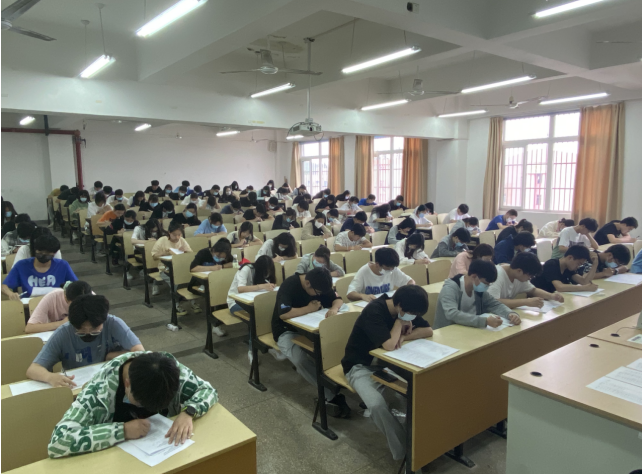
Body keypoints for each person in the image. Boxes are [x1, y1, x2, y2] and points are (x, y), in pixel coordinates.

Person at [47, 351, 217, 458]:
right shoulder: (99, 390)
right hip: (115, 460)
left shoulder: (169, 370)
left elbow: (208, 390)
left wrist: (188, 412)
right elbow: (58, 441)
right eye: (141, 403)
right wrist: (122, 430)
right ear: (127, 384)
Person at [342, 285, 431, 464]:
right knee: (376, 405)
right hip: (359, 366)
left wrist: (404, 336)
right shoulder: (374, 311)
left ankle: (427, 442)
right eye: (411, 314)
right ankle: (407, 455)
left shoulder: (407, 308)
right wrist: (399, 323)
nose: (413, 317)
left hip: (389, 363)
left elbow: (428, 330)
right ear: (399, 306)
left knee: (425, 388)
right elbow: (389, 345)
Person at [271, 268, 348, 416]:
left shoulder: (321, 283)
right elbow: (284, 314)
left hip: (311, 328)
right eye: (317, 293)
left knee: (338, 343)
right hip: (286, 330)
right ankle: (330, 393)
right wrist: (309, 308)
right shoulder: (289, 285)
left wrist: (334, 308)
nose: (320, 295)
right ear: (307, 284)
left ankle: (336, 379)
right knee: (299, 359)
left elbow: (338, 299)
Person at [26, 294, 144, 386]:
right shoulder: (64, 333)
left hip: (110, 383)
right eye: (81, 330)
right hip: (77, 387)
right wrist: (50, 377)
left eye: (94, 329)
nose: (88, 333)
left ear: (103, 320)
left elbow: (140, 353)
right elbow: (33, 369)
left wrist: (112, 356)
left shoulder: (113, 323)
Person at [433, 259, 521, 330]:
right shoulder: (451, 288)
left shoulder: (478, 290)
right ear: (474, 276)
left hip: (470, 330)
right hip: (448, 332)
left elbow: (494, 304)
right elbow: (452, 314)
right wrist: (484, 321)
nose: (487, 286)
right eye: (485, 283)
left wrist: (510, 314)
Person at [2, 234, 77, 299]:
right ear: (35, 250)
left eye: (47, 254)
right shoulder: (21, 266)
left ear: (54, 253)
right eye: (40, 253)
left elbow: (76, 285)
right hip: (30, 305)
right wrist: (10, 294)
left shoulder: (62, 265)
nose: (43, 255)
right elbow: (3, 286)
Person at [488, 252, 565, 310]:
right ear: (519, 271)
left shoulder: (518, 275)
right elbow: (493, 302)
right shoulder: (497, 275)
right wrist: (526, 302)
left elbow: (533, 290)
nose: (530, 279)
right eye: (530, 276)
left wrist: (551, 296)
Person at [347, 248, 414, 301]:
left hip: (386, 303)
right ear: (377, 264)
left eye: (392, 268)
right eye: (388, 268)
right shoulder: (364, 271)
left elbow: (410, 282)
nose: (391, 270)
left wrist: (408, 292)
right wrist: (362, 296)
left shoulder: (393, 269)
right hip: (370, 306)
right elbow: (350, 294)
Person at [25, 281, 92, 334]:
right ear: (66, 297)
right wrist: (62, 323)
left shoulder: (91, 298)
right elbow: (30, 328)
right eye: (75, 305)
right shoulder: (52, 297)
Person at [151, 222, 193, 302]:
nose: (177, 237)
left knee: (188, 277)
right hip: (165, 268)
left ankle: (183, 295)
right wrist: (165, 253)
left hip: (180, 267)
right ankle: (175, 300)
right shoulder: (162, 240)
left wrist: (185, 251)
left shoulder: (182, 240)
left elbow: (191, 254)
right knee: (175, 280)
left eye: (179, 234)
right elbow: (154, 256)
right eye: (174, 235)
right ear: (169, 233)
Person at [531, 246, 599, 293]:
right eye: (578, 264)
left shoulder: (568, 267)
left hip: (554, 297)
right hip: (540, 297)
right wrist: (585, 288)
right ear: (570, 258)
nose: (578, 267)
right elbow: (560, 287)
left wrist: (595, 264)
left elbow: (584, 282)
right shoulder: (551, 264)